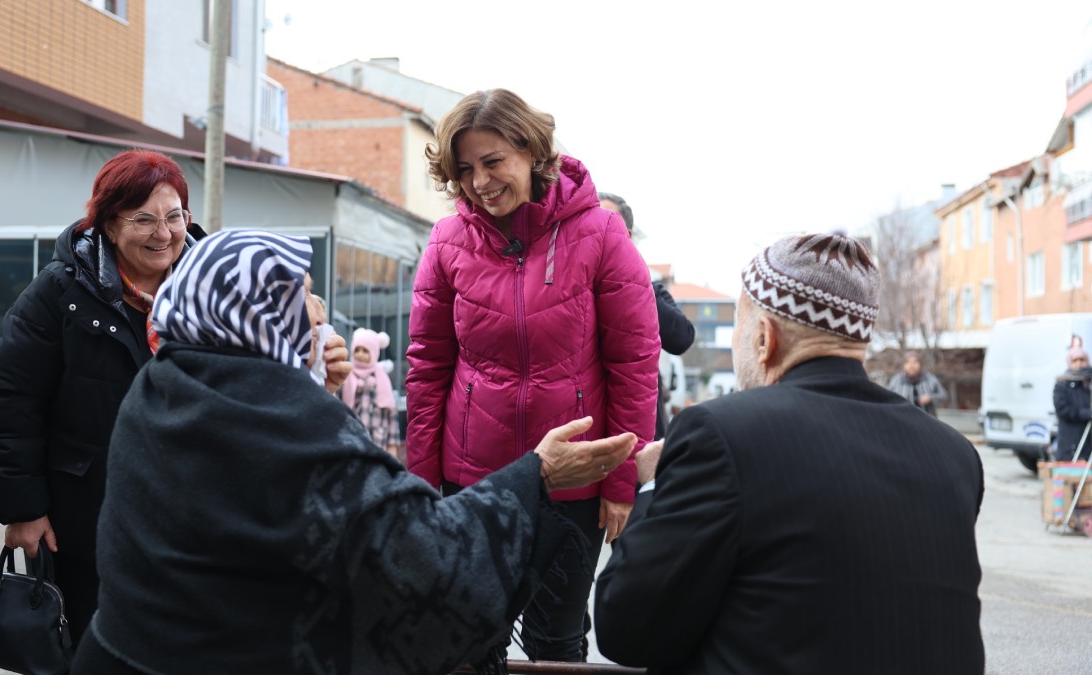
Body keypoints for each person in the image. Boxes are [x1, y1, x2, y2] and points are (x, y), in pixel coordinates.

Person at [70, 230, 637, 675]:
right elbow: (423, 557)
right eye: (298, 297)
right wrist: (535, 473)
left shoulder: (164, 386)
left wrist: (310, 384)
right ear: (259, 313)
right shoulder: (281, 415)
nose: (315, 312)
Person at [595, 233, 985, 674]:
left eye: (739, 326)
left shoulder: (721, 434)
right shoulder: (953, 453)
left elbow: (626, 627)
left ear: (764, 338)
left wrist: (652, 481)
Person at [407, 88, 660, 662]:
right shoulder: (447, 241)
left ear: (532, 152)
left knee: (556, 643)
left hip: (574, 480)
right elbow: (426, 369)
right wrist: (422, 485)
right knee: (471, 639)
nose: (480, 182)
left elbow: (635, 363)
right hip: (475, 483)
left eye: (493, 162)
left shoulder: (599, 232)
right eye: (465, 169)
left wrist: (620, 479)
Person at [0, 149, 209, 646]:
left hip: (194, 518)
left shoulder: (214, 291)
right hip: (85, 519)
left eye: (175, 217)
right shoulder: (59, 292)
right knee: (89, 647)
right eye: (144, 219)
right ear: (107, 222)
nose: (164, 233)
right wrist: (22, 510)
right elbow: (12, 401)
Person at [598, 191, 696, 440]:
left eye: (605, 221)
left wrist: (631, 281)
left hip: (639, 429)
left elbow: (681, 338)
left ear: (626, 237)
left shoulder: (650, 289)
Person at [342, 327, 401, 457]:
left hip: (378, 439)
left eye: (365, 351)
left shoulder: (381, 377)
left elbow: (391, 411)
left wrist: (392, 444)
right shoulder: (346, 376)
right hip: (352, 438)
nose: (360, 354)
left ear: (374, 353)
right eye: (357, 350)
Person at [1053, 340, 1092, 462]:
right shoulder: (1062, 385)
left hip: (1089, 442)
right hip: (1071, 442)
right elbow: (1063, 410)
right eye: (1075, 360)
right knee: (1071, 477)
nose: (1079, 364)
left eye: (1082, 360)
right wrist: (1086, 413)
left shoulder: (1089, 384)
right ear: (1070, 362)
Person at [886, 350, 947, 417]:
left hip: (927, 420)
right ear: (904, 365)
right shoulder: (897, 380)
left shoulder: (929, 379)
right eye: (908, 362)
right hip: (903, 420)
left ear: (920, 365)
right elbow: (888, 399)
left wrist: (930, 397)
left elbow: (943, 395)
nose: (911, 365)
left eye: (915, 362)